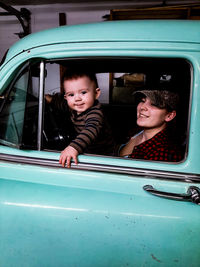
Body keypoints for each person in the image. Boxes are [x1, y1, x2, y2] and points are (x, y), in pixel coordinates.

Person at [47, 70, 115, 167]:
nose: (77, 99)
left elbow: (91, 129)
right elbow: (61, 104)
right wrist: (50, 99)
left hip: (103, 154)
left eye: (83, 92)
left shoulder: (95, 112)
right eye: (71, 95)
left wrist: (73, 147)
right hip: (88, 149)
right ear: (66, 97)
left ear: (96, 93)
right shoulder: (72, 107)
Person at [119, 89, 183, 162]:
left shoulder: (163, 152)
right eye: (143, 101)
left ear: (169, 116)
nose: (142, 107)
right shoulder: (138, 131)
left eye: (153, 104)